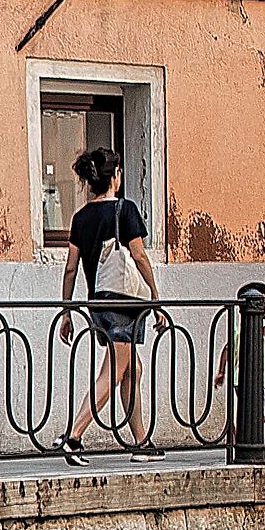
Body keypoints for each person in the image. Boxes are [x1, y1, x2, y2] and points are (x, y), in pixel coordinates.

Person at [55, 146, 168, 463]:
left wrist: (67, 311)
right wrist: (155, 296)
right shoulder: (125, 209)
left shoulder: (80, 218)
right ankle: (73, 437)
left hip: (98, 303)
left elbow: (70, 268)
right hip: (123, 303)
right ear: (115, 176)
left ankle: (141, 443)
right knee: (114, 371)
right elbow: (139, 255)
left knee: (133, 369)